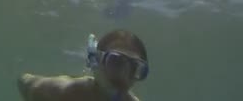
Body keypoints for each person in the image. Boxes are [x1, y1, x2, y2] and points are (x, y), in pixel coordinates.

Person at [17, 29, 149, 101]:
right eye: (116, 62)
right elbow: (24, 81)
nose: (123, 76)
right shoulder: (64, 91)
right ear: (94, 62)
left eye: (134, 68)